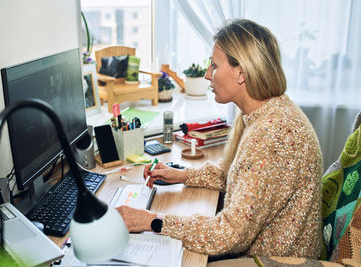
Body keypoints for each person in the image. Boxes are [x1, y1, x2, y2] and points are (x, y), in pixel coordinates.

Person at [116, 19, 323, 259]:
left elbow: (228, 234)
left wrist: (152, 220)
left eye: (213, 65)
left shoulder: (269, 136)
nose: (206, 75)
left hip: (274, 262)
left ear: (241, 73)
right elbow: (242, 176)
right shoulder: (267, 111)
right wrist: (183, 175)